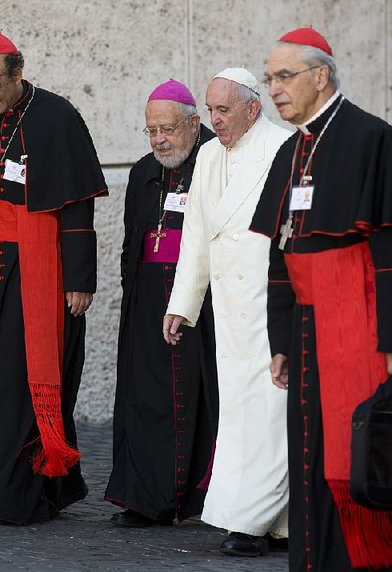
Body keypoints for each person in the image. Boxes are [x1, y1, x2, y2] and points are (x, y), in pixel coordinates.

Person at [250, 28, 392, 570]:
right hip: (308, 328)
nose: (275, 89)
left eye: (284, 77)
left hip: (362, 321)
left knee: (358, 448)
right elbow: (282, 252)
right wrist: (281, 337)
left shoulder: (371, 140)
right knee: (310, 451)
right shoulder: (292, 149)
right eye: (270, 78)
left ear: (321, 76)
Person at [0, 32, 107, 525]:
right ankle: (2, 488)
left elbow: (77, 209)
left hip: (44, 265)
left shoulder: (59, 117)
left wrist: (79, 278)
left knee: (26, 375)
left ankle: (25, 494)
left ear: (18, 73)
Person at [163, 68, 291, 556]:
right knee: (240, 416)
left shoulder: (282, 147)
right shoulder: (209, 155)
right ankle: (265, 520)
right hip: (228, 308)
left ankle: (255, 522)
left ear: (252, 109)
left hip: (268, 303)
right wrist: (183, 303)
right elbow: (196, 234)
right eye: (210, 109)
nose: (213, 120)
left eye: (223, 110)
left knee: (272, 413)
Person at [105, 80, 219, 527]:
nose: (158, 140)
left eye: (167, 129)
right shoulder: (141, 172)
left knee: (200, 401)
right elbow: (131, 242)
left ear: (194, 123)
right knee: (145, 400)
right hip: (148, 300)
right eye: (151, 131)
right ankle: (145, 498)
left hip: (201, 304)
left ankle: (199, 500)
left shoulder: (215, 162)